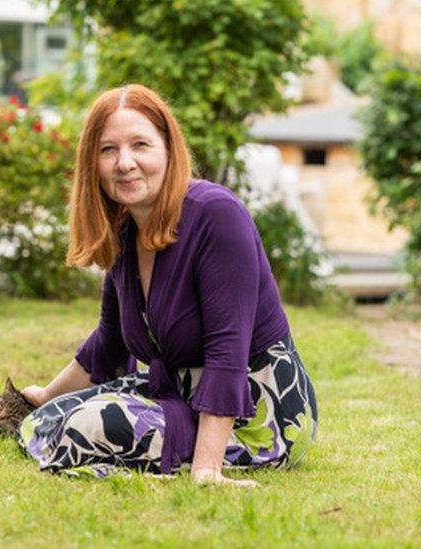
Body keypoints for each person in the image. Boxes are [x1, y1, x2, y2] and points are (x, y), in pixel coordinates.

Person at [18, 84, 317, 486]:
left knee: (86, 426)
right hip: (180, 395)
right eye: (108, 150)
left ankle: (197, 456)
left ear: (168, 149)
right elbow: (107, 344)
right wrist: (42, 397)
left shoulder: (216, 214)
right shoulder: (125, 230)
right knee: (50, 417)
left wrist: (207, 469)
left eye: (140, 144)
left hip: (258, 409)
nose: (125, 163)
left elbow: (228, 350)